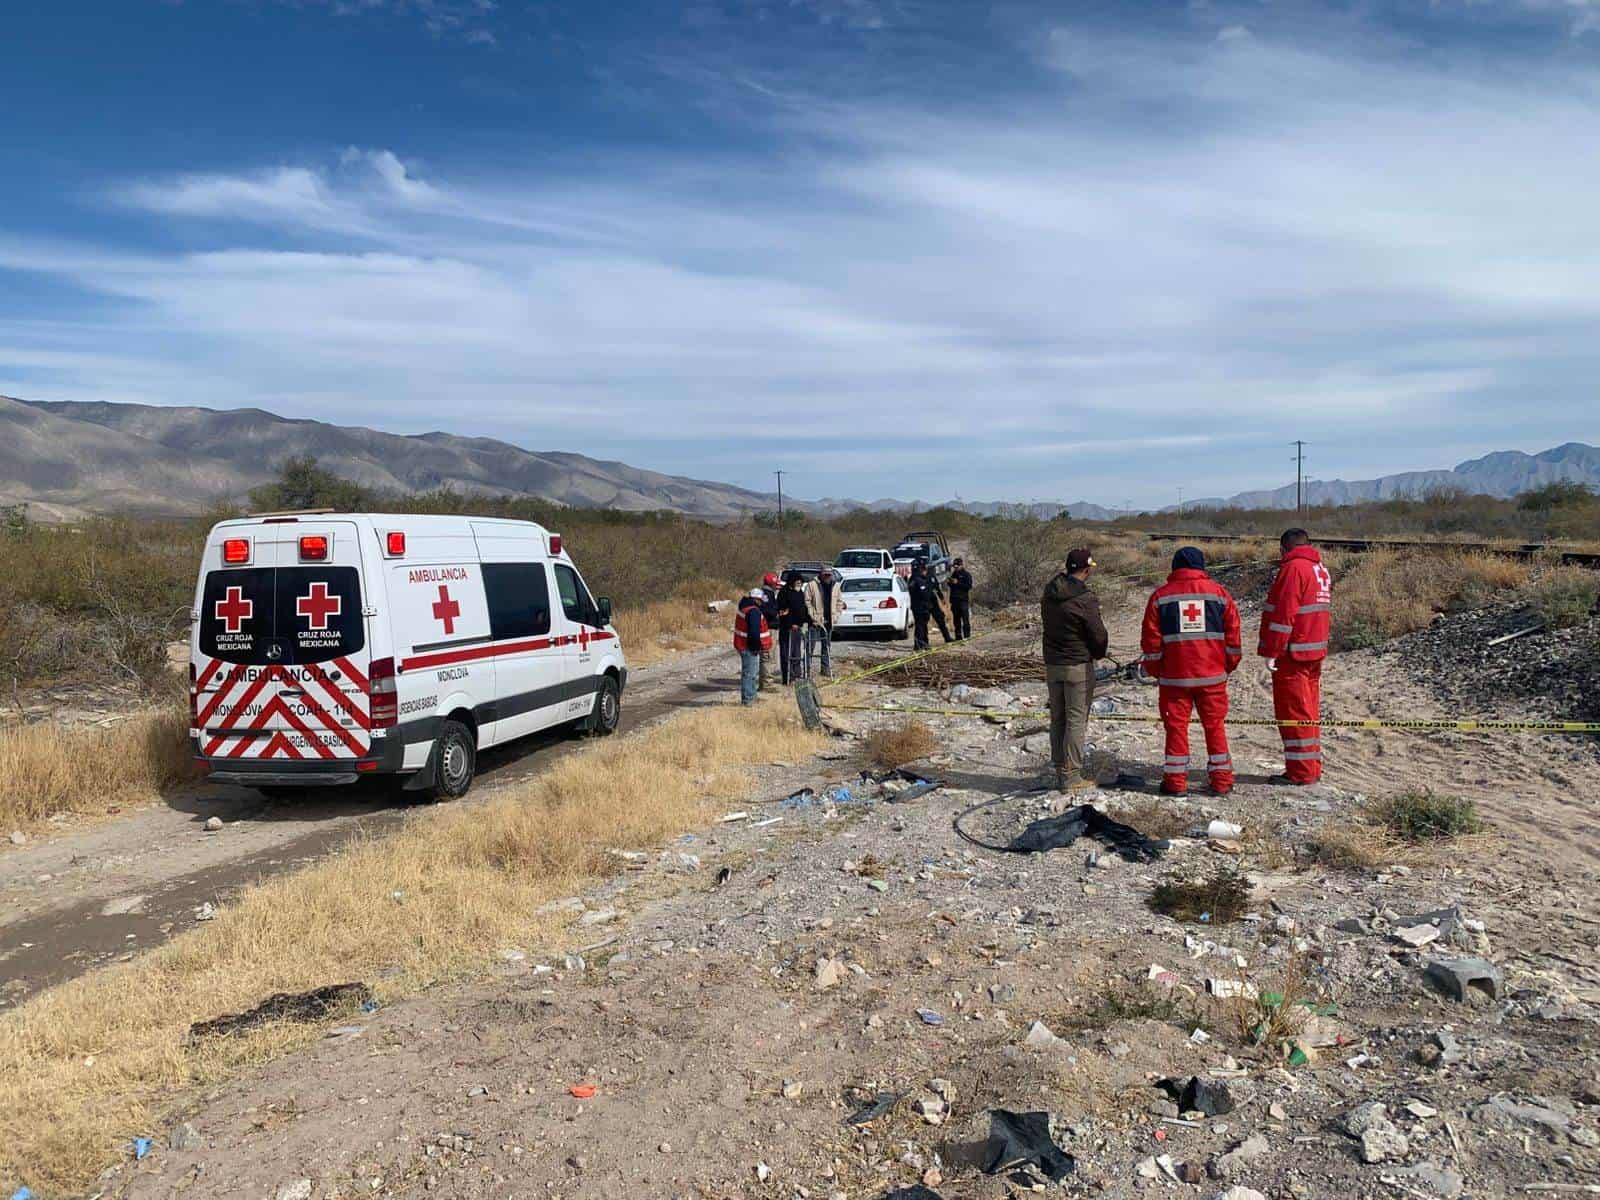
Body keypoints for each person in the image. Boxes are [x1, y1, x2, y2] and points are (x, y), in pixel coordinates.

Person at [1140, 547, 1242, 796]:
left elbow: (1151, 644)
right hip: (1213, 677)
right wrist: (1226, 666)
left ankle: (1175, 784)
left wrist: (1157, 671)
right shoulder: (1220, 595)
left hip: (1174, 679)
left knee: (1175, 728)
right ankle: (1222, 782)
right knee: (1215, 726)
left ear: (1175, 567)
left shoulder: (1160, 597)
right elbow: (1234, 639)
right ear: (1201, 567)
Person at [1257, 528, 1332, 785]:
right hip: (1314, 650)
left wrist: (1272, 651)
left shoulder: (1293, 569)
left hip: (1294, 654)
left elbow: (1283, 615)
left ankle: (1301, 773)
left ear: (1283, 550)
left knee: (1294, 714)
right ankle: (1311, 767)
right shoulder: (1319, 568)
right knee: (1309, 711)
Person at [1041, 548, 1108, 792]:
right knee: (1076, 720)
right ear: (1087, 570)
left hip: (1053, 664)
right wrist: (1099, 653)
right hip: (1077, 665)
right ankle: (1071, 777)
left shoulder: (1050, 592)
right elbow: (1098, 635)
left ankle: (1060, 768)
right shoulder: (1084, 598)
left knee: (1058, 718)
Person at [733, 588, 771, 705]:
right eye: (760, 600)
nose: (761, 603)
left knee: (750, 673)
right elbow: (754, 632)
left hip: (743, 644)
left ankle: (751, 697)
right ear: (756, 599)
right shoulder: (753, 611)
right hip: (749, 647)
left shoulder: (744, 607)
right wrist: (755, 647)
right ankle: (748, 699)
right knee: (750, 674)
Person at [806, 567, 846, 677]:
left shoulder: (836, 586)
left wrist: (836, 615)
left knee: (826, 646)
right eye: (825, 574)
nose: (827, 577)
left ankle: (825, 668)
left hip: (829, 621)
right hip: (815, 621)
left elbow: (839, 602)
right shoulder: (812, 585)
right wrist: (813, 616)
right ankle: (807, 669)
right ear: (821, 574)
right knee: (810, 646)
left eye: (829, 574)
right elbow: (807, 602)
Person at [776, 571, 812, 685]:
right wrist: (791, 623)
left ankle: (797, 675)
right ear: (791, 582)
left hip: (798, 627)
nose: (799, 584)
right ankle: (788, 677)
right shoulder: (784, 593)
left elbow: (802, 609)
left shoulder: (800, 592)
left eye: (801, 582)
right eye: (797, 582)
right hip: (787, 628)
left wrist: (808, 620)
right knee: (786, 653)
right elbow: (783, 611)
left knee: (796, 652)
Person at [907, 559, 952, 650]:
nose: (924, 570)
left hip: (932, 602)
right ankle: (921, 644)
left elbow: (936, 588)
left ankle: (947, 638)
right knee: (921, 625)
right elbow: (919, 593)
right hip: (921, 604)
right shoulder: (915, 579)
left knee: (940, 620)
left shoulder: (930, 576)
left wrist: (942, 598)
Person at [758, 572, 781, 691]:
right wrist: (777, 613)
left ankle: (766, 682)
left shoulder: (768, 593)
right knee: (768, 656)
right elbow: (767, 611)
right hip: (768, 628)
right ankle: (767, 684)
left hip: (770, 627)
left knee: (769, 656)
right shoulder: (766, 595)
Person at [948, 557, 974, 640]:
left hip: (963, 600)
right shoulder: (954, 574)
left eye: (957, 566)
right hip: (954, 600)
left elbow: (968, 586)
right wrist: (950, 582)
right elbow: (951, 586)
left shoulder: (966, 575)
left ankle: (967, 636)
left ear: (961, 565)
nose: (955, 568)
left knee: (965, 619)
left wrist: (958, 582)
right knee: (956, 620)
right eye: (954, 566)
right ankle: (958, 636)